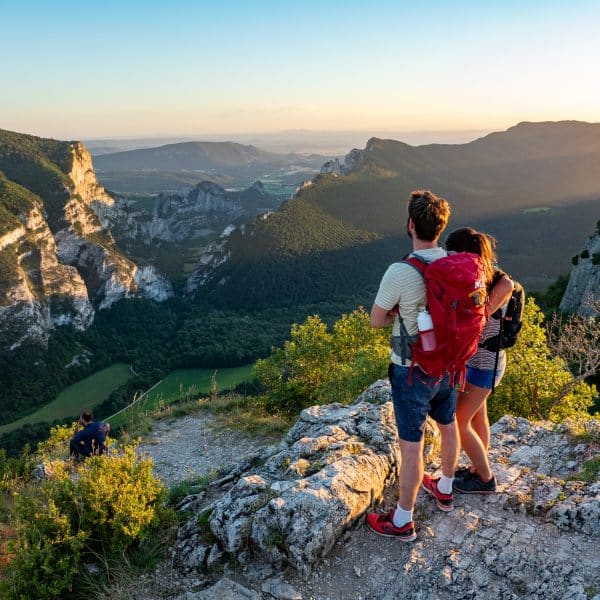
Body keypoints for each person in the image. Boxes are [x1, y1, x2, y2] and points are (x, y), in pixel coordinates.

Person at [366, 189, 459, 542]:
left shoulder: (400, 271)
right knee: (448, 424)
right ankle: (446, 488)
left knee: (411, 445)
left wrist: (396, 311)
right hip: (450, 363)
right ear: (441, 225)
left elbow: (376, 321)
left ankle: (403, 520)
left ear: (409, 225)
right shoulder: (455, 262)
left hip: (411, 367)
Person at [444, 228, 513, 493]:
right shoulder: (488, 276)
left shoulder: (498, 283)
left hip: (486, 365)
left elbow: (479, 315)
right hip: (477, 362)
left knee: (458, 420)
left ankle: (485, 479)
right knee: (475, 417)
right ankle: (477, 466)